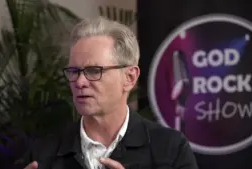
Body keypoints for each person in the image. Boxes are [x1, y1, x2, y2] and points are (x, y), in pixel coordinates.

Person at [24, 16, 198, 169]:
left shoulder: (170, 149)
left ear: (129, 77)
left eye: (93, 71)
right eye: (74, 71)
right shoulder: (43, 153)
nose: (79, 82)